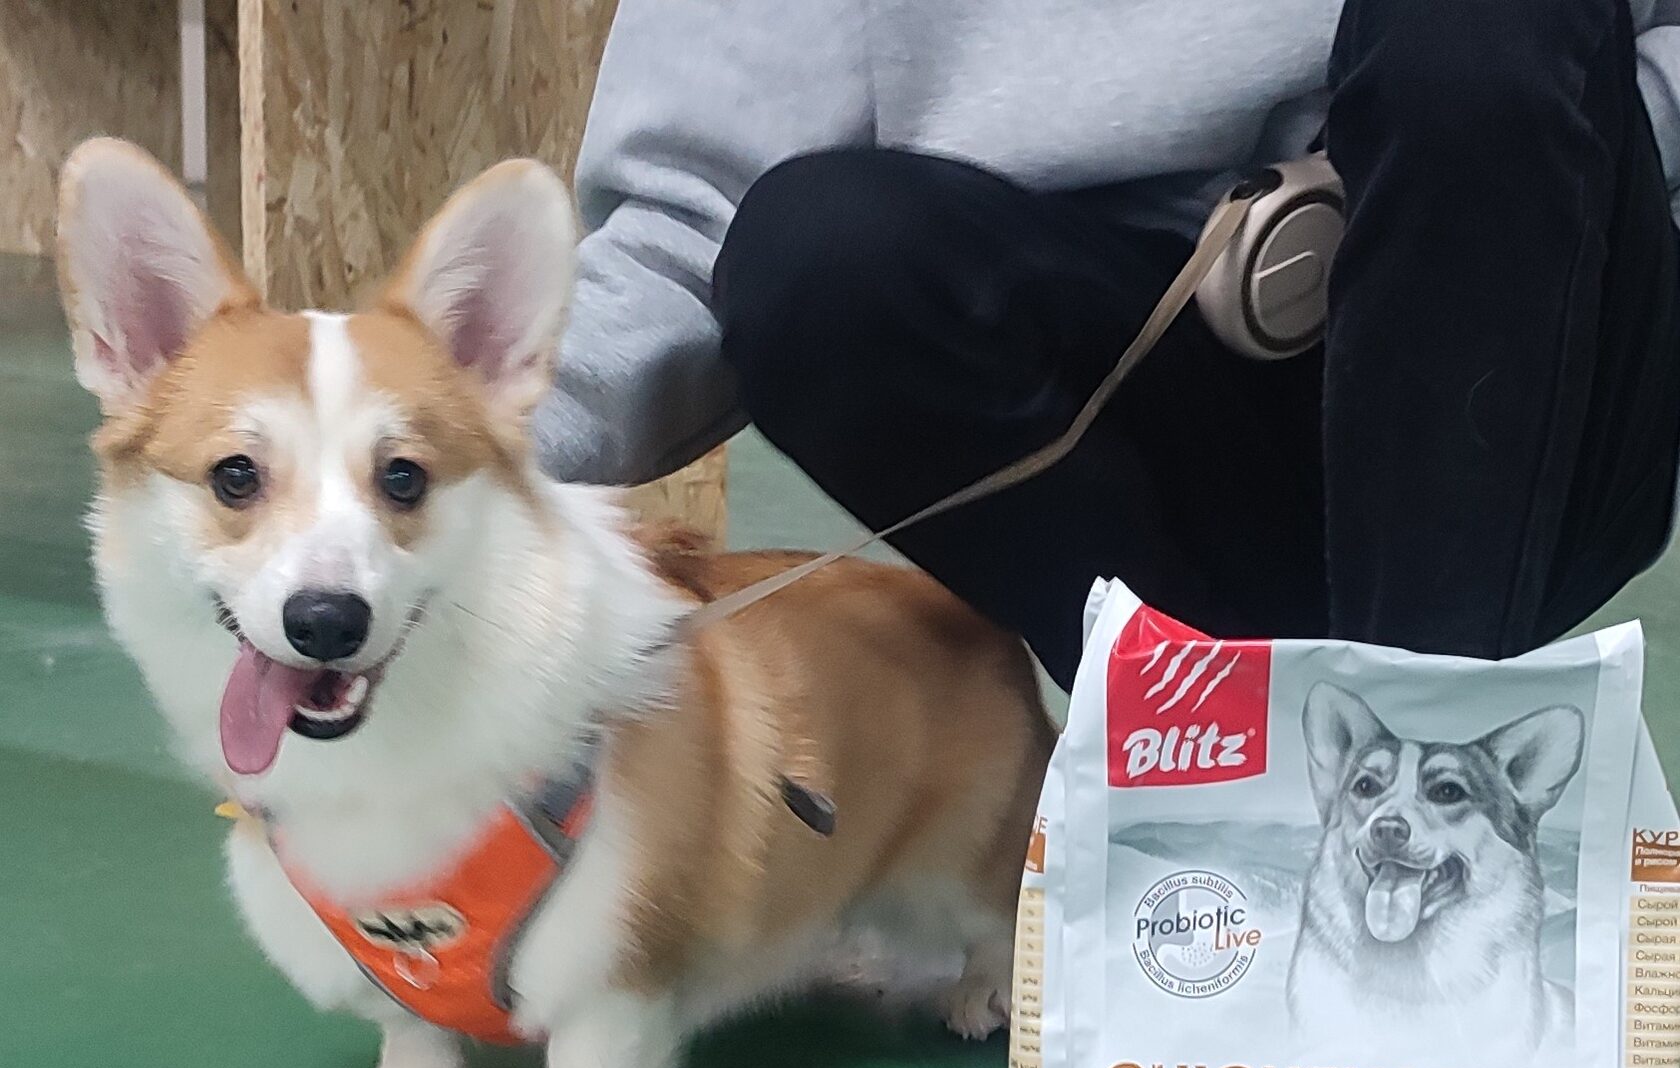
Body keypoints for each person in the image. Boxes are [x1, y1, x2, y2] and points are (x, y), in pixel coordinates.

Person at [534, 0, 1680, 690]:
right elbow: (690, 233)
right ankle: (1195, 750)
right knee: (817, 253)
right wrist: (456, 442)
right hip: (1130, 415)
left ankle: (1444, 742)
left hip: (1525, 367)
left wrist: (1513, 177)